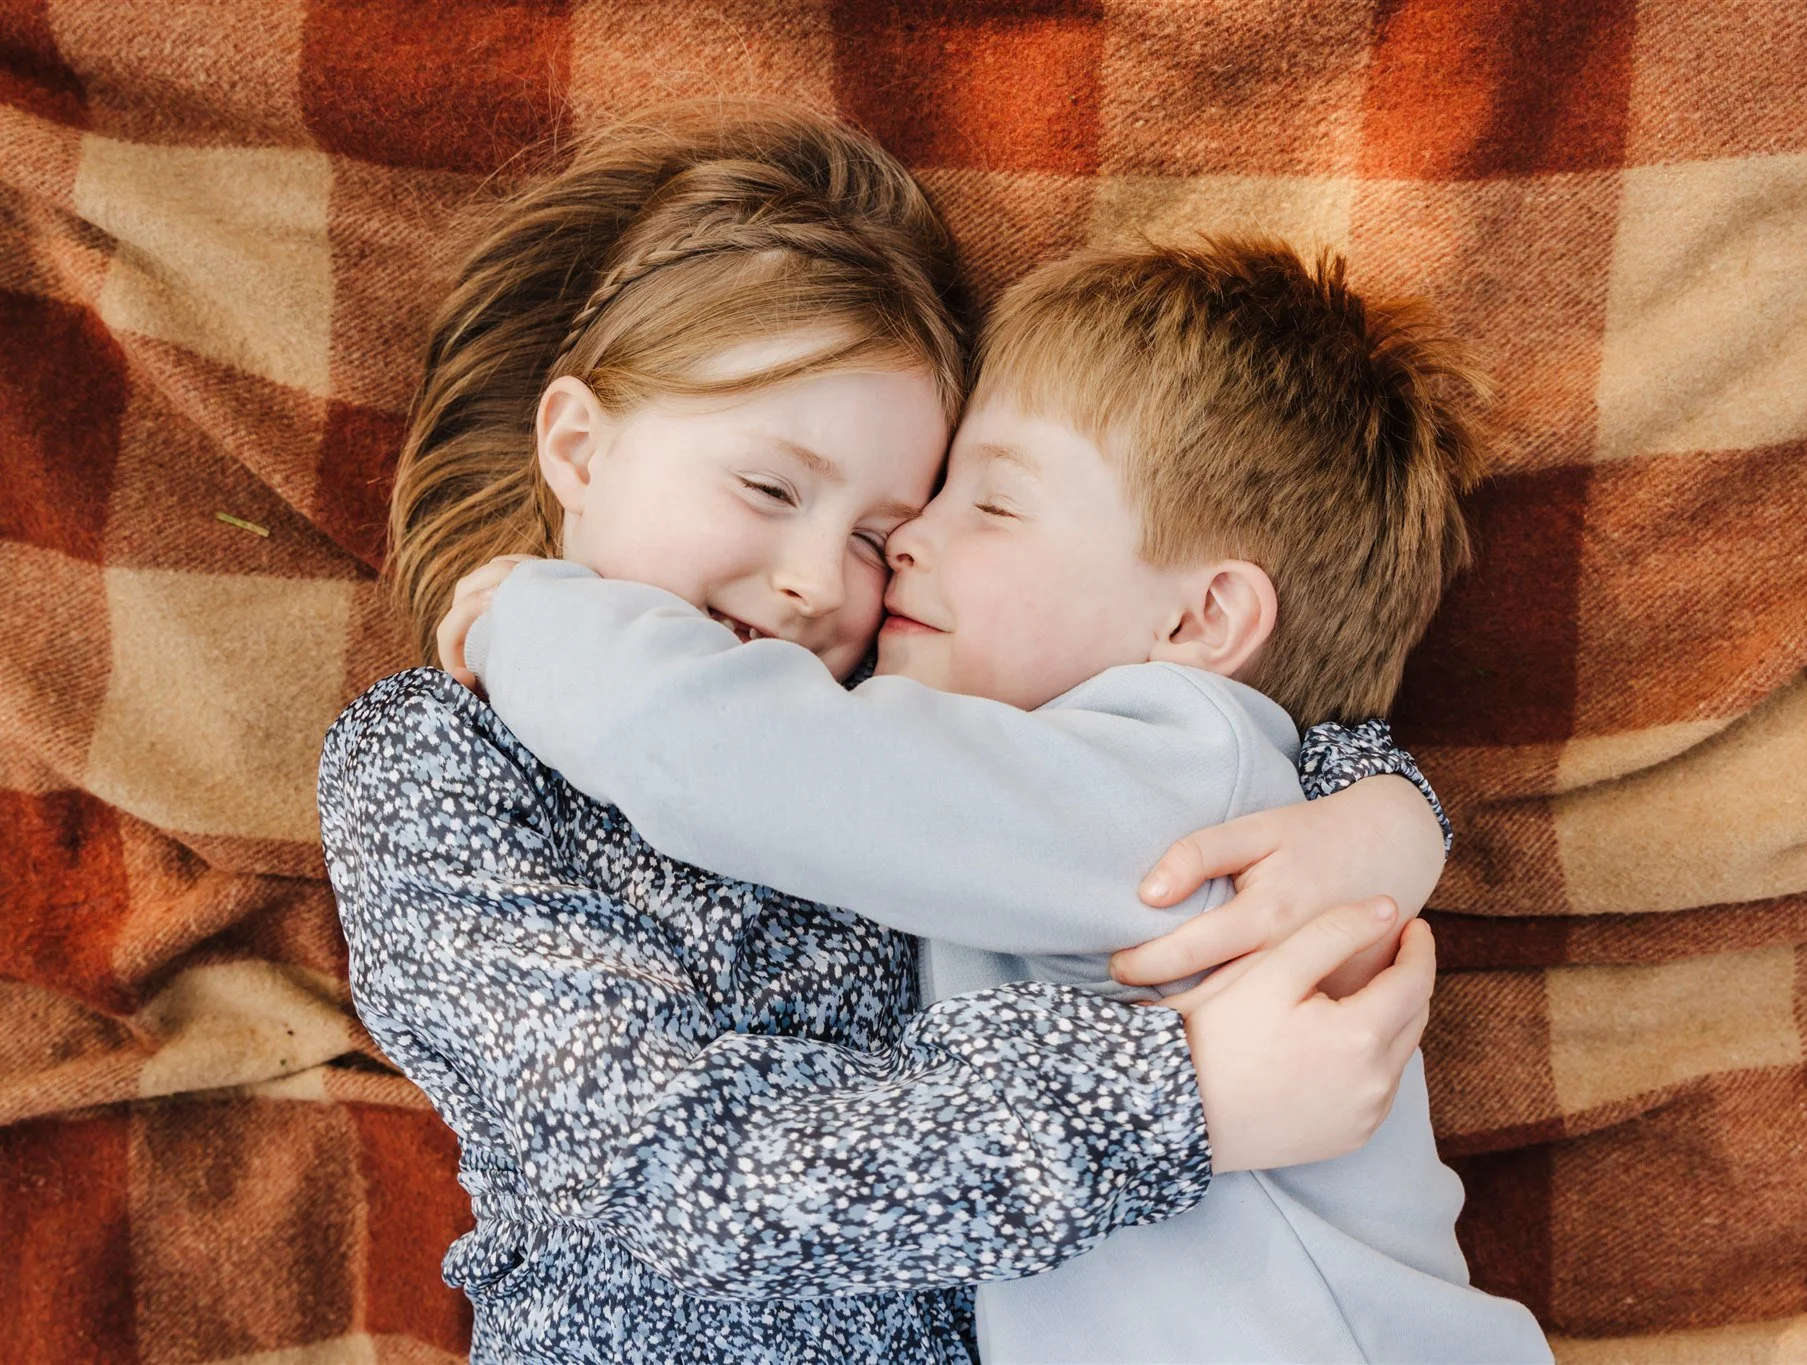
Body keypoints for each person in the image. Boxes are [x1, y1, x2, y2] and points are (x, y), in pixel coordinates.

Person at [321, 103, 1453, 1365]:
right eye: (767, 486)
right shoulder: (435, 762)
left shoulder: (886, 725)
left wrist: (1383, 809)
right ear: (577, 446)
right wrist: (1179, 1097)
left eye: (879, 531)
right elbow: (679, 1183)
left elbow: (1196, 748)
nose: (831, 576)